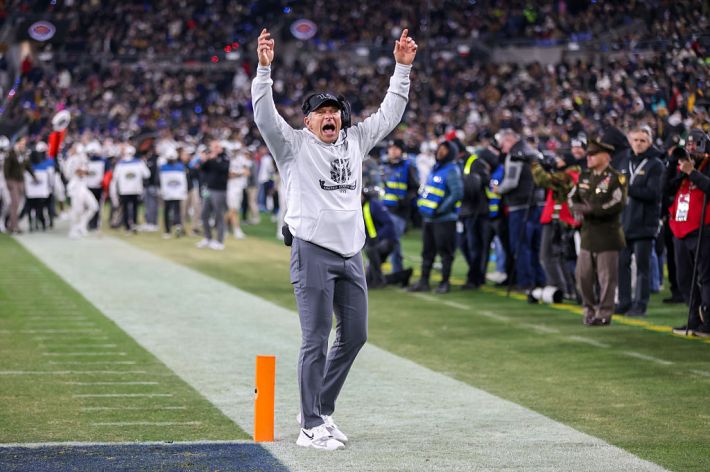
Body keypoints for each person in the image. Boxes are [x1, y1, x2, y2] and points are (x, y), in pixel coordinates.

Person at [252, 27, 416, 450]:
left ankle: (320, 410)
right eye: (321, 112)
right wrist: (264, 71)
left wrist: (401, 69)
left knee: (356, 334)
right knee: (316, 337)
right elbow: (264, 116)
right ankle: (310, 426)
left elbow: (389, 114)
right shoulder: (292, 145)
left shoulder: (355, 140)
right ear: (307, 120)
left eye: (335, 111)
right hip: (312, 251)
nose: (330, 116)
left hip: (351, 253)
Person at [569, 139, 627, 326]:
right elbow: (572, 197)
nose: (589, 158)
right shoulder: (585, 176)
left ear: (605, 157)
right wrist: (576, 208)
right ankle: (589, 309)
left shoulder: (617, 178)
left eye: (593, 155)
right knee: (583, 276)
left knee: (607, 278)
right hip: (588, 234)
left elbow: (617, 203)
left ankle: (604, 313)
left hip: (607, 235)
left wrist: (592, 210)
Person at [615, 127, 665, 317]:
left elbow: (653, 194)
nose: (638, 143)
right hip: (624, 222)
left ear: (649, 142)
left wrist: (628, 186)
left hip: (644, 224)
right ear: (630, 141)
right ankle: (625, 302)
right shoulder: (624, 160)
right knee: (622, 264)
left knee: (643, 268)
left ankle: (640, 304)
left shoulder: (656, 164)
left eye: (642, 140)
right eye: (635, 140)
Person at [667, 129, 710, 337]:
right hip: (680, 228)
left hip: (704, 228)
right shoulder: (679, 166)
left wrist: (693, 172)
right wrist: (671, 166)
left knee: (706, 277)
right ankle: (693, 319)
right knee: (684, 277)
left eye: (695, 144)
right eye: (688, 144)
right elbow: (663, 190)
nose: (691, 148)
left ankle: (708, 322)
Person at [407, 140, 464, 294]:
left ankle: (444, 283)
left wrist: (441, 210)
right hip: (429, 218)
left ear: (450, 152)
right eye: (440, 148)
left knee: (445, 252)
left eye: (444, 150)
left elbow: (457, 193)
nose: (440, 152)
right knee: (427, 252)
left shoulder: (452, 169)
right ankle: (424, 281)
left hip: (444, 219)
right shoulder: (436, 168)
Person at [496, 129, 546, 291]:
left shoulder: (515, 155)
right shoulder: (534, 153)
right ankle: (540, 281)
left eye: (503, 144)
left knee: (520, 246)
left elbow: (511, 182)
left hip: (520, 207)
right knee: (535, 246)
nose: (502, 149)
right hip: (538, 204)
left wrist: (498, 190)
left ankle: (525, 283)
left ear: (509, 140)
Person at [531, 150, 581, 300]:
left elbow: (543, 180)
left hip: (558, 219)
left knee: (547, 255)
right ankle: (569, 289)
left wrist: (534, 164)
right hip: (561, 219)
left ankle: (560, 288)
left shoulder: (568, 176)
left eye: (559, 159)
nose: (556, 162)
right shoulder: (571, 175)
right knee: (560, 256)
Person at [460, 145, 499, 289]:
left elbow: (481, 183)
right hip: (467, 211)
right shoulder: (464, 163)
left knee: (476, 246)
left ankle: (476, 277)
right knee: (467, 245)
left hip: (478, 212)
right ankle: (476, 275)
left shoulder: (476, 163)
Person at [381, 138, 418, 274]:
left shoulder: (409, 166)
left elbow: (415, 188)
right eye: (391, 148)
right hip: (383, 209)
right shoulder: (383, 166)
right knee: (378, 240)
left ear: (402, 151)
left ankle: (397, 271)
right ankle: (374, 269)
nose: (392, 151)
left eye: (396, 148)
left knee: (393, 240)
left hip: (399, 211)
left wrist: (405, 200)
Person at [196, 138, 230, 250]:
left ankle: (220, 241)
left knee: (219, 216)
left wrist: (213, 159)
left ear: (220, 147)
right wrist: (205, 160)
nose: (214, 149)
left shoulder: (225, 157)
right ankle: (207, 238)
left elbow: (223, 169)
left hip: (219, 190)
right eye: (212, 147)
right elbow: (201, 169)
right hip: (208, 189)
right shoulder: (210, 158)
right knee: (204, 214)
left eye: (216, 147)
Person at [111, 144, 150, 233]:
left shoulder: (120, 164)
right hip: (136, 189)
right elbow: (147, 174)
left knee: (125, 209)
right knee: (135, 208)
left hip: (124, 190)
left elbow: (115, 177)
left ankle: (127, 227)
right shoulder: (139, 162)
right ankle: (134, 225)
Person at [3, 136, 34, 234]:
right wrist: (8, 181)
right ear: (17, 143)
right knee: (14, 203)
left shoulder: (24, 153)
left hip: (21, 181)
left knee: (19, 204)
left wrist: (34, 176)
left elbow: (28, 166)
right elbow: (6, 168)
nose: (23, 145)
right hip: (13, 180)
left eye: (24, 143)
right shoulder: (11, 153)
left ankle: (11, 224)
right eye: (21, 142)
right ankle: (14, 226)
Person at [159, 148, 188, 238]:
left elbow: (159, 180)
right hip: (177, 193)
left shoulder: (163, 167)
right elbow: (184, 181)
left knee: (167, 211)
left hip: (167, 193)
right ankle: (178, 225)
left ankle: (168, 231)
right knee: (177, 211)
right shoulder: (181, 167)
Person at [226, 143, 250, 239]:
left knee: (235, 210)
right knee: (233, 210)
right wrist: (240, 173)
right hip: (231, 188)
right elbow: (229, 175)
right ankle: (236, 230)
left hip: (239, 188)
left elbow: (247, 172)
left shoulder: (242, 159)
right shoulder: (228, 160)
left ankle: (223, 227)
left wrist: (237, 173)